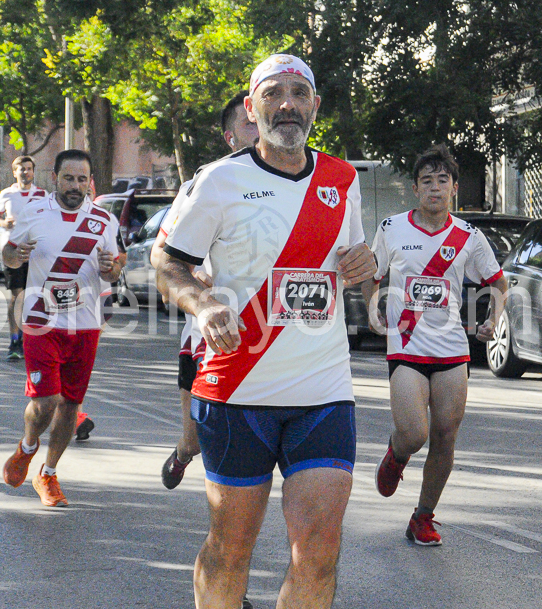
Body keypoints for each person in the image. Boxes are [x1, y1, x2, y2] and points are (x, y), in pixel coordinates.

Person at [156, 55, 376, 608]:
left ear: (314, 106)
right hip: (237, 389)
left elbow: (351, 258)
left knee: (318, 550)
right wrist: (203, 305)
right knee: (231, 547)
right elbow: (169, 263)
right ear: (251, 109)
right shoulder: (220, 180)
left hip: (323, 390)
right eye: (273, 93)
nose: (287, 105)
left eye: (299, 93)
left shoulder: (342, 179)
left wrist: (364, 263)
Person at [365, 144, 507, 546]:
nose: (434, 187)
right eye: (426, 181)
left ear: (454, 188)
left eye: (442, 180)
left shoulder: (469, 236)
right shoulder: (392, 228)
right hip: (406, 347)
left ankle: (422, 517)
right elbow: (372, 275)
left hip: (451, 350)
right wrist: (373, 309)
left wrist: (492, 319)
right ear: (415, 189)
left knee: (445, 436)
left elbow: (498, 283)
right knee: (414, 433)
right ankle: (397, 453)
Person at [1, 149, 122, 507]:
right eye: (68, 178)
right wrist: (15, 256)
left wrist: (111, 268)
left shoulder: (104, 220)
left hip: (85, 324)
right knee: (46, 401)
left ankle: (48, 474)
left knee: (70, 404)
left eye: (82, 179)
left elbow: (114, 269)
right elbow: (8, 255)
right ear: (54, 178)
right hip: (42, 321)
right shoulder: (33, 212)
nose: (75, 186)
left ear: (89, 182)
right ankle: (27, 447)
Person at [152, 90, 258, 492]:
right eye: (248, 122)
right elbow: (162, 257)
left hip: (279, 333)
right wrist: (197, 281)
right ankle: (183, 451)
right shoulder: (206, 182)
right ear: (230, 138)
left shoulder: (303, 183)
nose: (259, 126)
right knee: (197, 438)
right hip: (210, 330)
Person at [0, 156, 47, 360]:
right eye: (21, 169)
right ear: (14, 172)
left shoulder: (42, 195)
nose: (25, 172)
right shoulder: (7, 194)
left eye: (29, 168)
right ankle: (14, 340)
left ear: (33, 172)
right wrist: (3, 222)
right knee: (18, 296)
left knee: (34, 297)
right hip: (13, 250)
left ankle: (28, 338)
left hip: (36, 251)